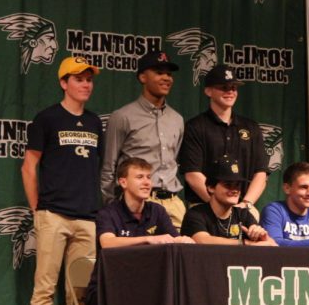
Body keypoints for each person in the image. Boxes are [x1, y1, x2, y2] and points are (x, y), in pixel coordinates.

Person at [22, 56, 104, 305]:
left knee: (80, 296)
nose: (86, 83)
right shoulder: (47, 118)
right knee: (43, 291)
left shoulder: (97, 122)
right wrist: (37, 211)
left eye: (89, 79)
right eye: (78, 78)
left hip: (86, 219)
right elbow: (29, 166)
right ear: (63, 83)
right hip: (53, 215)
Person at [86, 157, 193, 305]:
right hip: (108, 289)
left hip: (143, 287)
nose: (146, 183)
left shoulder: (157, 211)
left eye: (149, 177)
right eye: (139, 177)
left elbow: (174, 238)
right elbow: (107, 243)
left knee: (175, 297)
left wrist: (185, 240)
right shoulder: (108, 213)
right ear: (123, 182)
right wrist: (148, 239)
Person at [100, 50, 186, 228]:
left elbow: (174, 160)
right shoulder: (122, 116)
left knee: (179, 254)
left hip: (173, 204)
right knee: (140, 255)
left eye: (169, 74)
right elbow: (109, 167)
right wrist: (113, 207)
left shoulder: (177, 119)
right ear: (142, 77)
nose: (166, 78)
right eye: (159, 72)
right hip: (137, 203)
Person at [178, 65, 269, 218]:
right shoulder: (195, 126)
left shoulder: (251, 127)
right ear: (208, 91)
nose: (230, 92)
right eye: (224, 87)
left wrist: (246, 204)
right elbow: (192, 174)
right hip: (205, 207)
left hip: (243, 207)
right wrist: (217, 204)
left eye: (233, 88)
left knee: (259, 240)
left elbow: (261, 173)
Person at [181, 159, 277, 246]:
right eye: (228, 185)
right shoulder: (196, 214)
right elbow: (202, 240)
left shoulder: (243, 214)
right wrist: (244, 243)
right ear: (211, 187)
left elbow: (272, 244)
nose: (235, 190)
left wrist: (260, 235)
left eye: (237, 185)